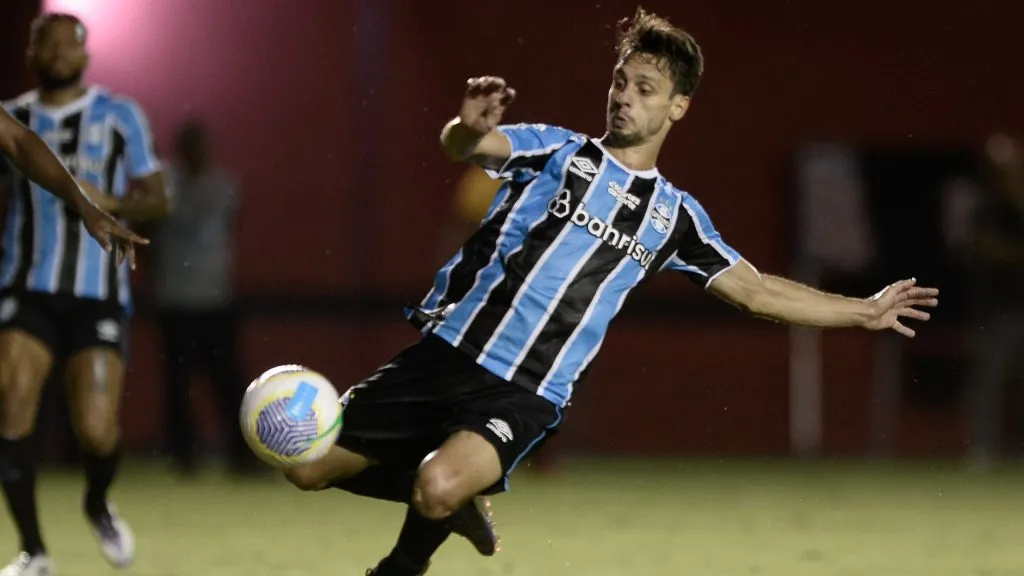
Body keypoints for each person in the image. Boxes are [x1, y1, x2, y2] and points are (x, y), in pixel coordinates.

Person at [283, 8, 940, 575]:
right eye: (620, 81)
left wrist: (864, 310)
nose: (624, 96)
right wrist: (465, 125)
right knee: (304, 467)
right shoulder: (557, 151)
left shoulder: (675, 217)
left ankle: (403, 563)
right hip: (446, 353)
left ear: (677, 106)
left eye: (645, 88)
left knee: (436, 483)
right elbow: (469, 145)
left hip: (526, 389)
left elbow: (758, 291)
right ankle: (457, 506)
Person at [0, 12, 169, 576]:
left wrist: (109, 206)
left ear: (85, 53)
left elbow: (159, 200)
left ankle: (97, 504)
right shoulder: (16, 112)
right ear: (29, 53)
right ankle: (34, 551)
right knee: (11, 405)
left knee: (96, 428)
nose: (53, 52)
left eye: (64, 42)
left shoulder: (118, 114)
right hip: (25, 286)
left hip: (97, 291)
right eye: (41, 41)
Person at [150, 119, 251, 475]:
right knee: (178, 385)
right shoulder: (163, 185)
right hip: (175, 299)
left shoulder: (224, 187)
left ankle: (242, 454)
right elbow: (146, 233)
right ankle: (183, 455)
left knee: (229, 382)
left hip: (216, 298)